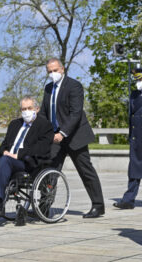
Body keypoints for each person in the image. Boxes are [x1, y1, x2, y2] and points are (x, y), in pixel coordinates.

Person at [38, 58, 105, 218]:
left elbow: (75, 114)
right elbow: (44, 113)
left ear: (62, 69)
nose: (52, 74)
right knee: (49, 171)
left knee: (85, 170)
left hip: (74, 136)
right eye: (49, 71)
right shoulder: (48, 89)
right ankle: (44, 206)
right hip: (55, 137)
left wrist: (63, 133)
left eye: (55, 70)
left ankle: (98, 205)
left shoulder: (74, 86)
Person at [0, 96, 53, 215]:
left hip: (25, 162)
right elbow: (3, 146)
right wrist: (5, 152)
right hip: (6, 160)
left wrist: (17, 155)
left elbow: (41, 148)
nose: (26, 111)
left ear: (37, 109)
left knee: (6, 160)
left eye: (29, 108)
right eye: (23, 109)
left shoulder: (44, 125)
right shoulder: (15, 124)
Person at [114, 68, 142, 210]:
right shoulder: (134, 95)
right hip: (137, 138)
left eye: (140, 79)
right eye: (136, 79)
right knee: (133, 171)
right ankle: (128, 200)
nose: (138, 82)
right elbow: (131, 117)